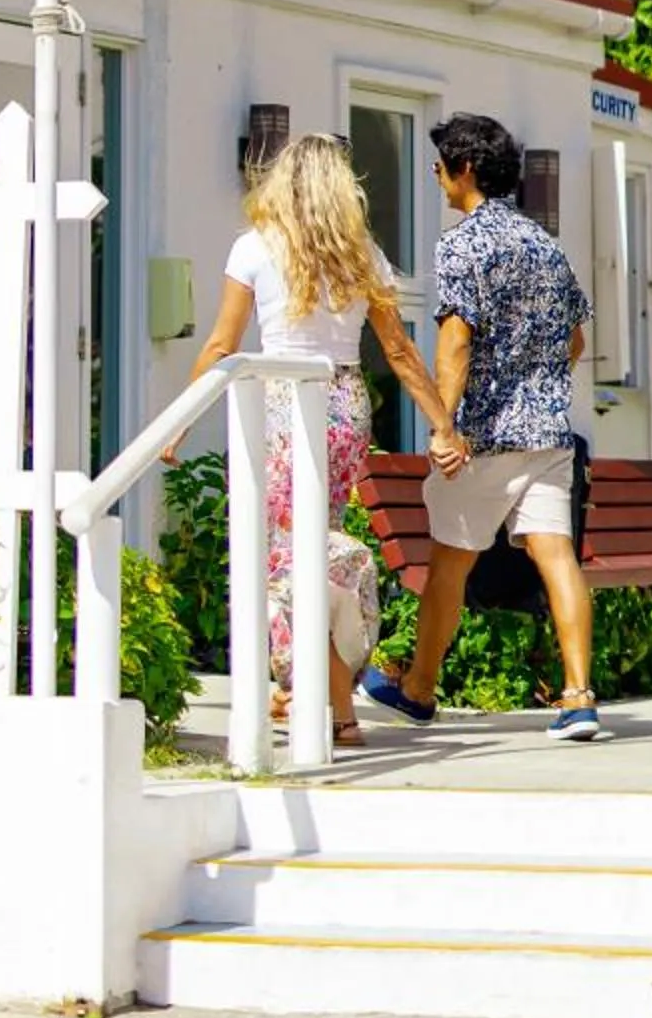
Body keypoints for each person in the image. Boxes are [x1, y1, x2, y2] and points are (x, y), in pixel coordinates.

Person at [167, 131, 456, 748]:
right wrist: (441, 424)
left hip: (277, 403)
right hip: (345, 403)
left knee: (285, 557)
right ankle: (317, 690)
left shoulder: (253, 247)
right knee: (312, 551)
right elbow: (399, 351)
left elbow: (222, 346)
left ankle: (329, 704)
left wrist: (180, 421)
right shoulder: (363, 254)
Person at [363, 111, 601, 742]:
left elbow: (455, 344)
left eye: (439, 167)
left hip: (487, 435)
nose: (437, 179)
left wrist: (444, 427)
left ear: (465, 169)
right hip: (549, 433)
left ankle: (418, 689)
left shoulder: (462, 244)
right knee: (558, 558)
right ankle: (578, 696)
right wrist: (535, 382)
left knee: (450, 564)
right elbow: (573, 340)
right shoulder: (544, 243)